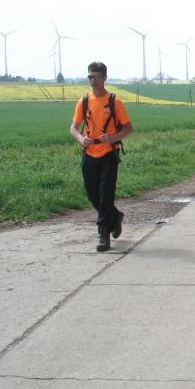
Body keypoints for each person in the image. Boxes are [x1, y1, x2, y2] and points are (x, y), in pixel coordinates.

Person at [69, 61, 133, 252]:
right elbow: (73, 128)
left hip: (108, 153)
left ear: (105, 78)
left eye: (96, 77)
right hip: (89, 152)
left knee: (106, 193)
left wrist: (113, 137)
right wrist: (81, 139)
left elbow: (128, 128)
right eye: (90, 77)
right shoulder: (83, 102)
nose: (93, 81)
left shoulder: (114, 102)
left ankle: (103, 232)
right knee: (92, 193)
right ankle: (115, 217)